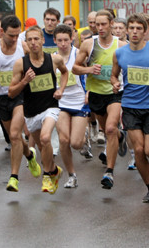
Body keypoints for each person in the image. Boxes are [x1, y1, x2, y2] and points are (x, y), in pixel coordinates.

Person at [111, 13, 149, 202]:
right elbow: (114, 75)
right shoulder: (120, 53)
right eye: (132, 28)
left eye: (139, 28)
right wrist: (114, 83)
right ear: (127, 30)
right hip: (130, 106)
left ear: (145, 31)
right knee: (138, 150)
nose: (135, 32)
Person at [0, 15, 40, 192]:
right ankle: (29, 155)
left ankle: (14, 177)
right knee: (17, 138)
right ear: (2, 32)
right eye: (11, 35)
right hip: (0, 97)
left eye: (17, 34)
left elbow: (37, 63)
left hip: (20, 95)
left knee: (14, 135)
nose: (14, 38)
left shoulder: (23, 45)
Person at [9, 25, 68, 194]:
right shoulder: (21, 63)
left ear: (43, 40)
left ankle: (48, 175)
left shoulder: (54, 59)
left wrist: (61, 90)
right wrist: (24, 81)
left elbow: (65, 72)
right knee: (43, 148)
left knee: (45, 137)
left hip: (50, 107)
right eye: (30, 40)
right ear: (26, 43)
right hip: (31, 112)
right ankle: (55, 170)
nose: (34, 43)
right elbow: (12, 92)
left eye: (36, 39)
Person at [73, 9, 128, 189]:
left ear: (112, 24)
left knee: (110, 128)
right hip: (96, 93)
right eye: (97, 24)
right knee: (107, 129)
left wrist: (119, 82)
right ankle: (121, 137)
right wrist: (89, 70)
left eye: (104, 24)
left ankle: (109, 172)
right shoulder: (89, 44)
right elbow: (75, 68)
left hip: (115, 93)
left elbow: (128, 69)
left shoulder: (121, 46)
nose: (100, 28)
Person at [51, 24, 91, 188]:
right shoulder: (52, 58)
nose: (63, 44)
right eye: (59, 40)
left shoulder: (78, 54)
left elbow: (89, 74)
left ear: (72, 38)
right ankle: (71, 175)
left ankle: (84, 137)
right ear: (54, 41)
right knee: (63, 139)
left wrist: (89, 92)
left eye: (66, 40)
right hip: (61, 103)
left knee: (76, 143)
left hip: (80, 102)